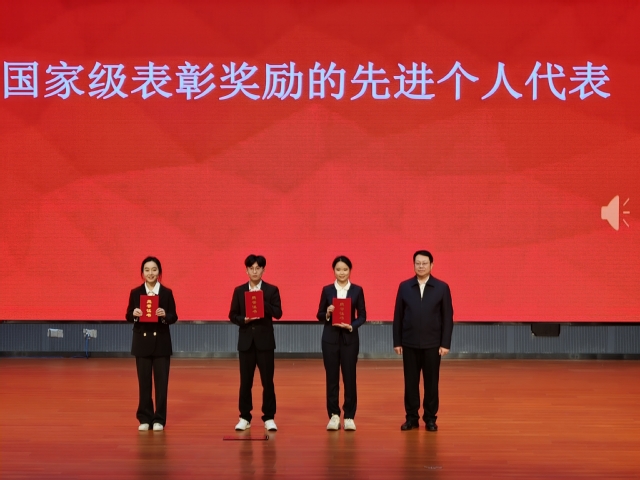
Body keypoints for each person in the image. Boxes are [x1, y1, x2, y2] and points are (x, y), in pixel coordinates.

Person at [393, 250, 453, 432]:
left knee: (431, 383)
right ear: (414, 265)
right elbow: (398, 315)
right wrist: (397, 341)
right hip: (409, 343)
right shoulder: (404, 286)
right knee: (410, 383)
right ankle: (411, 418)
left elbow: (447, 317)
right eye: (417, 263)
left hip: (433, 344)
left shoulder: (442, 287)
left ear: (431, 265)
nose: (421, 266)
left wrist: (445, 343)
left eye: (424, 263)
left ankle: (430, 418)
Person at [229, 254, 282, 432]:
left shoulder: (271, 290)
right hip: (246, 343)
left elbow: (278, 313)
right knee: (245, 382)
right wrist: (244, 320)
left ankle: (269, 417)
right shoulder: (239, 291)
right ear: (246, 270)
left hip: (265, 343)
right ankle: (245, 417)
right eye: (251, 268)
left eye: (258, 268)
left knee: (268, 382)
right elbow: (232, 315)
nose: (254, 271)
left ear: (263, 270)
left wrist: (262, 301)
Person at [125, 256, 178, 431]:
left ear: (159, 272)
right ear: (142, 273)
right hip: (141, 343)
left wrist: (164, 316)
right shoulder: (135, 292)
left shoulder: (166, 293)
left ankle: (159, 419)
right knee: (144, 383)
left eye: (154, 270)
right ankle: (144, 418)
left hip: (161, 343)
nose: (150, 273)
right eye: (147, 270)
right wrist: (135, 314)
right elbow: (128, 315)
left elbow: (173, 316)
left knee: (162, 384)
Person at [316, 255, 367, 431]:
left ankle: (350, 416)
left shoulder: (357, 290)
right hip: (330, 339)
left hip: (349, 340)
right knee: (332, 378)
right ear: (334, 271)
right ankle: (334, 415)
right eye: (338, 269)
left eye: (345, 269)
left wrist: (352, 326)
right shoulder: (327, 290)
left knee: (349, 378)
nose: (342, 273)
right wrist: (327, 313)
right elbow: (319, 315)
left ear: (350, 270)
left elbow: (362, 316)